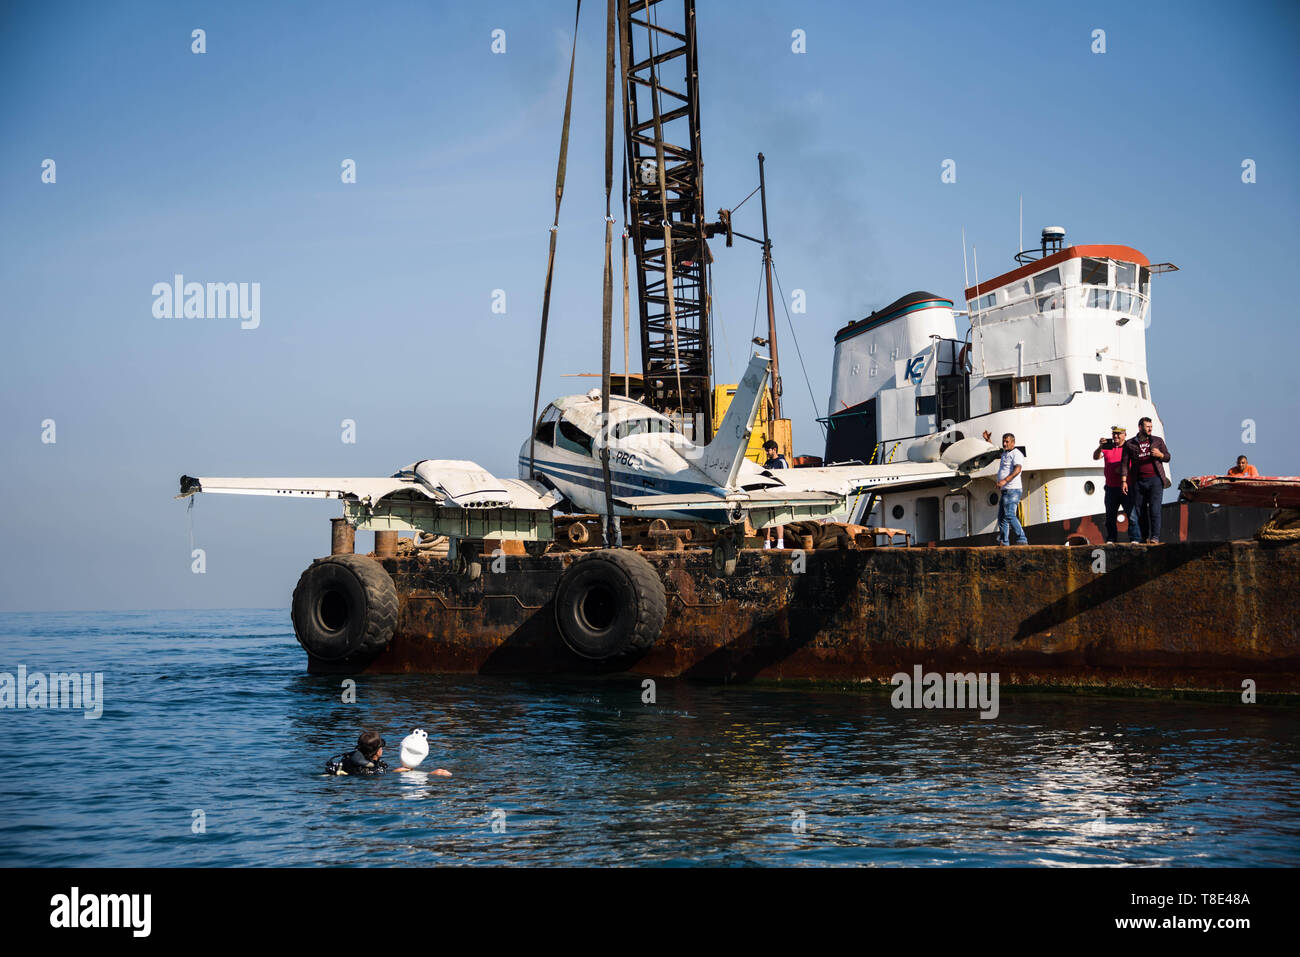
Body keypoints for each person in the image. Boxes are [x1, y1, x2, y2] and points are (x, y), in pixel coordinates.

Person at [1120, 417, 1172, 544]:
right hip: (1138, 481)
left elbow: (1167, 457)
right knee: (1140, 510)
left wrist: (1160, 455)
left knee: (1155, 509)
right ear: (1140, 427)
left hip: (1155, 480)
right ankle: (1144, 537)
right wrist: (1124, 481)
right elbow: (1125, 463)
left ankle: (1155, 537)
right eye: (1147, 426)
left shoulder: (1158, 441)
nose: (1150, 428)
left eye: (1151, 426)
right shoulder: (1130, 444)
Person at [1093, 425, 1139, 543]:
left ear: (1125, 435)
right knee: (1110, 517)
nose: (1116, 436)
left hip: (1126, 487)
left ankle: (1135, 538)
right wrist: (1100, 446)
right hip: (1110, 488)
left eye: (1119, 433)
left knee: (1132, 515)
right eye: (1114, 433)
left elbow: (1136, 463)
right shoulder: (1108, 446)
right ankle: (1111, 538)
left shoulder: (1129, 447)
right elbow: (1095, 457)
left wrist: (1124, 470)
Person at [985, 430, 1027, 546]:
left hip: (1013, 490)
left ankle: (1022, 539)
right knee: (1002, 517)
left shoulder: (1016, 454)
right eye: (1003, 441)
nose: (1004, 444)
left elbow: (1018, 469)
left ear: (1013, 442)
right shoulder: (1005, 453)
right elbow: (995, 451)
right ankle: (1004, 542)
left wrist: (1004, 480)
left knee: (1009, 515)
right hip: (1005, 491)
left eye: (1007, 442)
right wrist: (988, 440)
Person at [761, 439, 789, 549]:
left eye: (768, 450)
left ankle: (780, 543)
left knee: (778, 518)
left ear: (774, 450)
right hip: (767, 493)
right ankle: (766, 543)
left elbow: (786, 477)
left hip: (778, 494)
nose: (767, 453)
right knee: (765, 518)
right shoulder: (767, 463)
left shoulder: (781, 462)